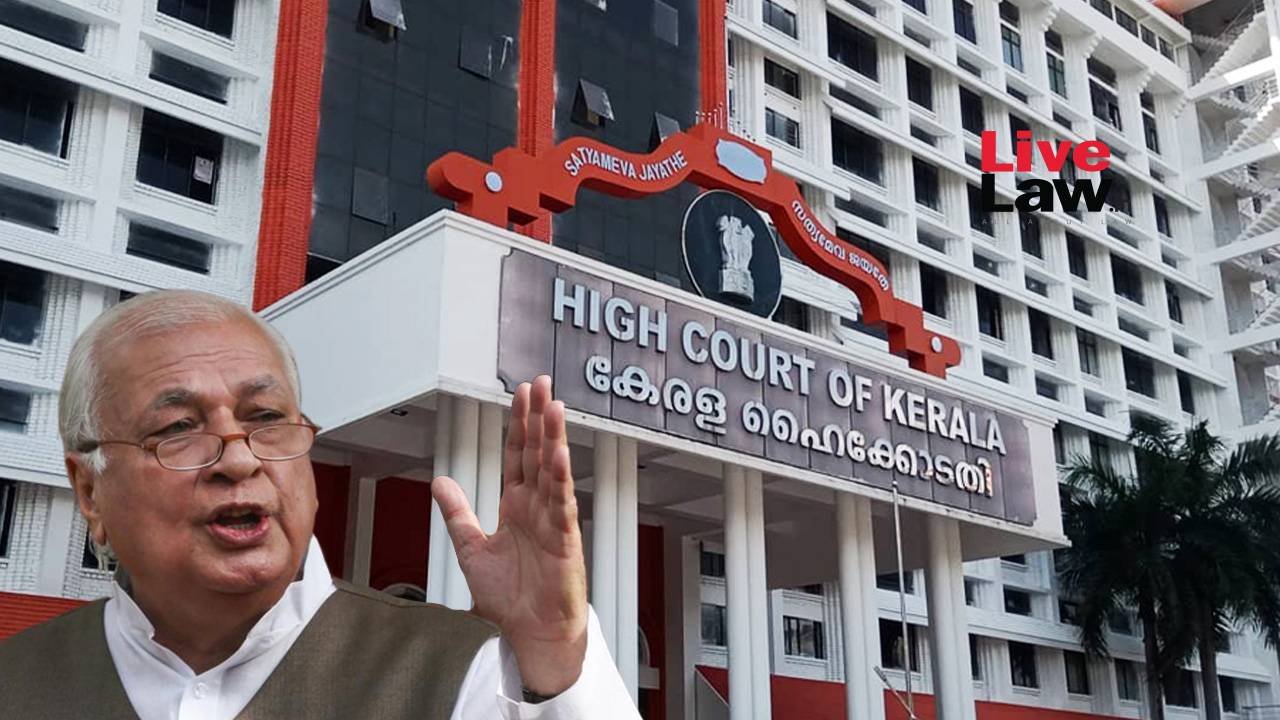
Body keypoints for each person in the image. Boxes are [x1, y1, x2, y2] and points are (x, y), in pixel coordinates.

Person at [0, 289, 641, 719]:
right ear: (90, 490)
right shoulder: (16, 681)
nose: (240, 460)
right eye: (178, 428)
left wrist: (556, 658)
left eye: (266, 418)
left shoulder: (454, 670)